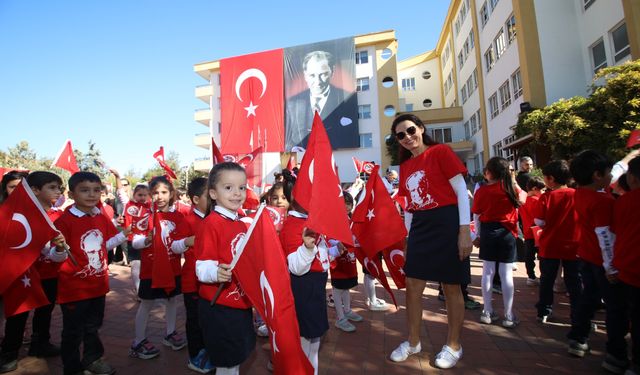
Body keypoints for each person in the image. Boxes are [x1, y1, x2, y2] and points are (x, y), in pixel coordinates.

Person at [388, 114, 472, 369]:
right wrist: (408, 237)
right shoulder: (404, 168)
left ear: (421, 128)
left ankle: (454, 345)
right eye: (400, 135)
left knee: (451, 287)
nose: (407, 137)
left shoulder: (441, 152)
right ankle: (413, 342)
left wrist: (464, 231)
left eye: (410, 130)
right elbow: (410, 208)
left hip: (447, 223)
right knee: (413, 285)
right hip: (421, 227)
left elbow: (461, 192)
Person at [53, 171, 130, 375]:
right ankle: (71, 367)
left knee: (93, 327)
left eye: (96, 190)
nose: (92, 195)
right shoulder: (64, 221)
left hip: (98, 286)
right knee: (73, 331)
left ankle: (93, 359)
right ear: (71, 194)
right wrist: (59, 249)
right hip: (73, 289)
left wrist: (124, 234)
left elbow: (106, 244)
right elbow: (55, 257)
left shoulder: (99, 215)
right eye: (85, 190)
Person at [567, 150, 629, 373]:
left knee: (588, 298)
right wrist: (611, 266)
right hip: (602, 261)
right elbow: (604, 235)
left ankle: (578, 337)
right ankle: (615, 353)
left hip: (586, 256)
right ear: (597, 175)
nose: (611, 176)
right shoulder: (602, 201)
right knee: (615, 308)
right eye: (609, 172)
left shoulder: (580, 194)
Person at [0, 172, 67, 373]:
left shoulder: (50, 216)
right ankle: (9, 353)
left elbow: (54, 255)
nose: (57, 192)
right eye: (13, 187)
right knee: (17, 315)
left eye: (59, 188)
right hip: (17, 274)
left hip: (42, 275)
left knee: (43, 312)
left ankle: (40, 344)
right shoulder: (6, 214)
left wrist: (61, 247)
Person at [195, 162, 256, 375]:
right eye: (228, 188)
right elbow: (201, 265)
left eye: (241, 187)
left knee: (236, 358)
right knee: (226, 362)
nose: (237, 193)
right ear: (213, 193)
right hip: (220, 306)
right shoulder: (211, 223)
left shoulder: (241, 222)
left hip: (239, 303)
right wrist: (215, 272)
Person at [129, 176, 191, 359]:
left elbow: (180, 242)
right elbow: (134, 242)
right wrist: (145, 240)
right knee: (146, 304)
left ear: (171, 194)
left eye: (164, 192)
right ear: (150, 194)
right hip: (150, 269)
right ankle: (138, 341)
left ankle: (170, 333)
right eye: (155, 192)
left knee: (171, 300)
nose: (160, 196)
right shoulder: (145, 216)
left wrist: (185, 243)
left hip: (172, 268)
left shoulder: (179, 216)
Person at [472, 157, 521, 328]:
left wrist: (477, 236)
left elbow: (476, 216)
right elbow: (524, 200)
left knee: (488, 272)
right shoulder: (512, 189)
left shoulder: (482, 191)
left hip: (487, 231)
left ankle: (487, 310)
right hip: (507, 233)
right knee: (506, 274)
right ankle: (509, 315)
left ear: (489, 172)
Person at [533, 160, 581, 324]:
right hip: (573, 244)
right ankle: (577, 314)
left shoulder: (547, 197)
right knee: (574, 281)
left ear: (551, 178)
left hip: (550, 244)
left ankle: (544, 310)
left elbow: (539, 221)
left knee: (547, 279)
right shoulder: (577, 194)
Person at [285, 50, 359, 150]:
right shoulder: (293, 104)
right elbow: (287, 138)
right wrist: (293, 148)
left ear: (332, 72)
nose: (318, 82)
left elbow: (350, 137)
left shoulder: (347, 100)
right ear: (305, 75)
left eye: (323, 74)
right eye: (312, 75)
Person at [611, 155, 640, 375]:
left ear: (630, 178)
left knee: (629, 315)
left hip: (628, 267)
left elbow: (614, 232)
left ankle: (624, 358)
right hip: (628, 267)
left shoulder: (623, 203)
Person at [182, 177, 214, 374]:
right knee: (195, 321)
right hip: (192, 282)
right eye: (208, 196)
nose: (214, 199)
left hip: (210, 281)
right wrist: (188, 241)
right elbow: (175, 245)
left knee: (207, 319)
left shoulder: (215, 218)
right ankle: (195, 356)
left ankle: (207, 351)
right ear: (195, 199)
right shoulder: (187, 220)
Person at [329, 193, 363, 332]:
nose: (347, 206)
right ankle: (340, 318)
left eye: (349, 203)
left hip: (349, 261)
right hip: (338, 263)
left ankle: (347, 310)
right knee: (338, 289)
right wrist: (338, 243)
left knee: (346, 287)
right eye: (344, 203)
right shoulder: (333, 222)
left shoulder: (351, 221)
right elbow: (329, 239)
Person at [122, 183, 151, 297]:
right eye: (140, 195)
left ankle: (145, 288)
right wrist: (118, 178)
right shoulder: (128, 204)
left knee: (146, 265)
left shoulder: (150, 206)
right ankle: (139, 290)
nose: (142, 197)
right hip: (132, 239)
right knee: (135, 265)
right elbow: (121, 194)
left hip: (146, 240)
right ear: (134, 195)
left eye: (145, 195)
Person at [520, 177, 545, 285]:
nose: (543, 192)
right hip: (539, 233)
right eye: (542, 190)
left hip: (528, 232)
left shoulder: (522, 201)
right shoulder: (538, 201)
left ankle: (531, 276)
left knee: (529, 256)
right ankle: (544, 276)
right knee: (542, 257)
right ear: (535, 188)